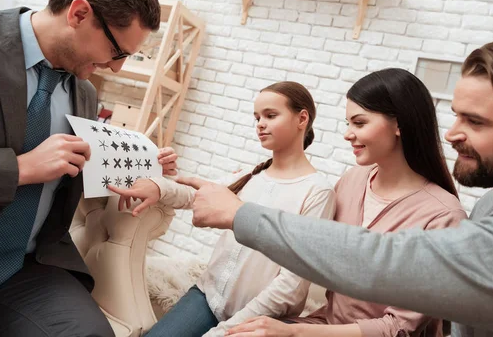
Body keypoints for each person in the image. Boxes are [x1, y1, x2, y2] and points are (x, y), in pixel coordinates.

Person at [184, 35, 493, 337]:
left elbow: (383, 262)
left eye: (477, 122)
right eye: (454, 116)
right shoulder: (488, 204)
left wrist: (241, 216)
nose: (451, 134)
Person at [0, 0, 161, 336]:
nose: (117, 68)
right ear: (78, 13)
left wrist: (145, 169)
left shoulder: (84, 93)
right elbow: (33, 164)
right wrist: (19, 169)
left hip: (20, 268)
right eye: (117, 51)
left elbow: (74, 169)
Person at [223, 69, 468, 337]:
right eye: (347, 123)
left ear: (399, 124)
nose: (348, 134)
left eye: (359, 123)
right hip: (326, 325)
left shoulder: (444, 215)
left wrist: (294, 333)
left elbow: (398, 328)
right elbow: (312, 250)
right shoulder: (353, 180)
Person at [110, 81, 336, 337]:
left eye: (270, 115)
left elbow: (292, 284)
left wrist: (225, 331)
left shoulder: (318, 192)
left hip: (259, 319)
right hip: (207, 297)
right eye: (257, 117)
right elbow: (197, 194)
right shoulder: (252, 173)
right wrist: (159, 187)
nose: (260, 124)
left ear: (302, 118)